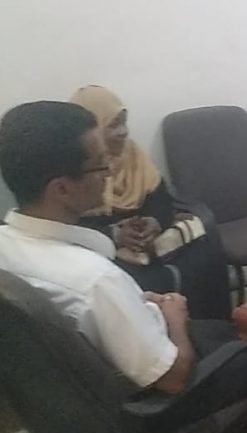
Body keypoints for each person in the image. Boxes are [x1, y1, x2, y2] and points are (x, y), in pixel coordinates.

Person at [0, 101, 247, 411]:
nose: (110, 171)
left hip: (69, 405)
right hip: (148, 405)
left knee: (222, 332)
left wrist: (136, 301)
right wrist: (176, 319)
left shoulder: (7, 243)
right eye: (100, 165)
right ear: (62, 189)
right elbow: (174, 378)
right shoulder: (96, 281)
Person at [70, 85, 230, 320]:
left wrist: (154, 221)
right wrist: (116, 235)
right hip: (108, 249)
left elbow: (160, 197)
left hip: (149, 239)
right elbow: (74, 226)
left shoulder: (133, 153)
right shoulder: (78, 169)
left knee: (204, 240)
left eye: (124, 123)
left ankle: (215, 322)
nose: (123, 132)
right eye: (113, 125)